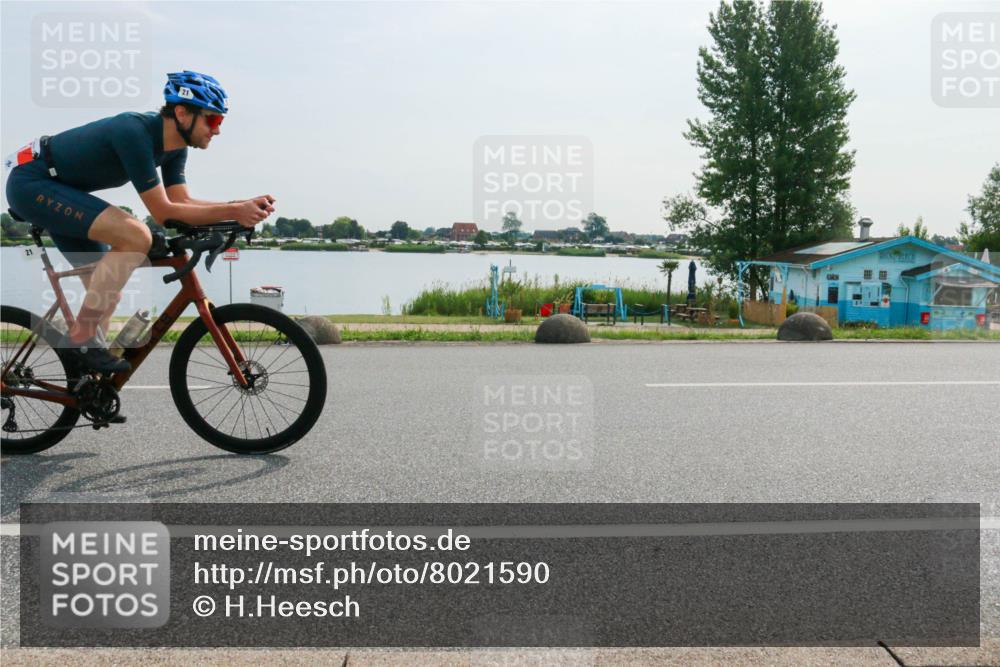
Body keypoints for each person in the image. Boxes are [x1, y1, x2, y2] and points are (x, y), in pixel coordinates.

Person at [5, 70, 274, 373]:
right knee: (136, 234)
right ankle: (81, 340)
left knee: (107, 290)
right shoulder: (133, 131)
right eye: (213, 120)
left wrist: (237, 207)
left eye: (220, 121)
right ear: (183, 113)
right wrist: (235, 210)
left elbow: (182, 202)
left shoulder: (175, 149)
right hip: (32, 183)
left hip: (64, 191)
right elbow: (163, 212)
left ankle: (87, 384)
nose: (217, 130)